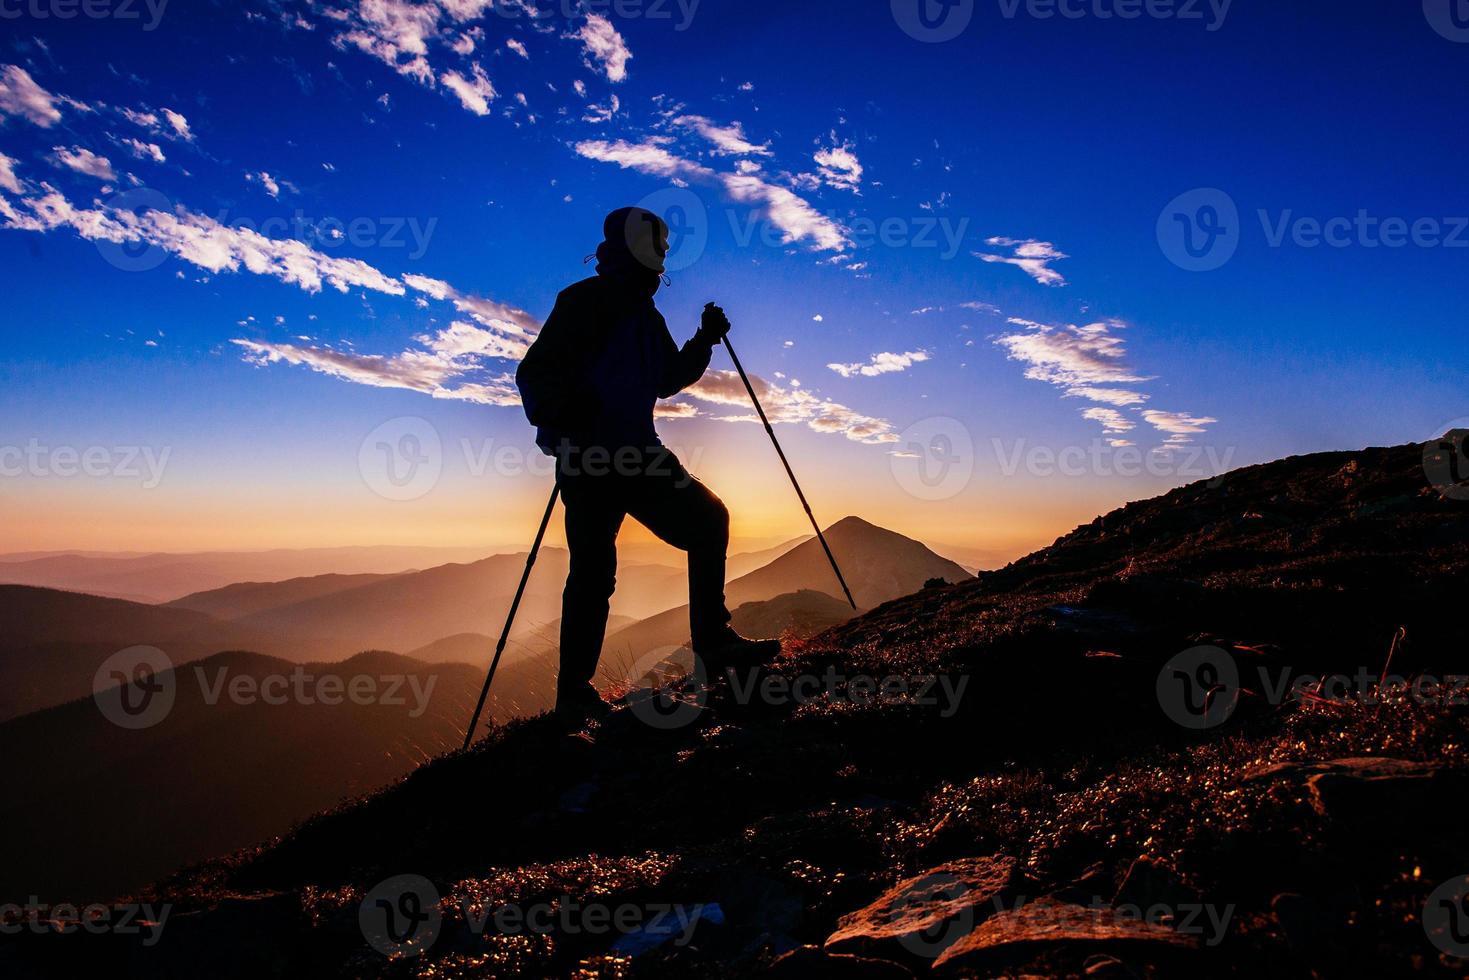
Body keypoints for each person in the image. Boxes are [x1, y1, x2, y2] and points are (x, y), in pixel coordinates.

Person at [516, 206, 780, 722]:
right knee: (697, 526)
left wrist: (704, 340)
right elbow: (536, 375)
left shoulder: (633, 311)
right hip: (612, 456)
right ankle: (707, 643)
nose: (663, 264)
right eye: (660, 252)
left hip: (602, 458)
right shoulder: (587, 303)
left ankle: (576, 694)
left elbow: (664, 377)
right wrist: (565, 410)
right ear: (644, 253)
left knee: (597, 572)